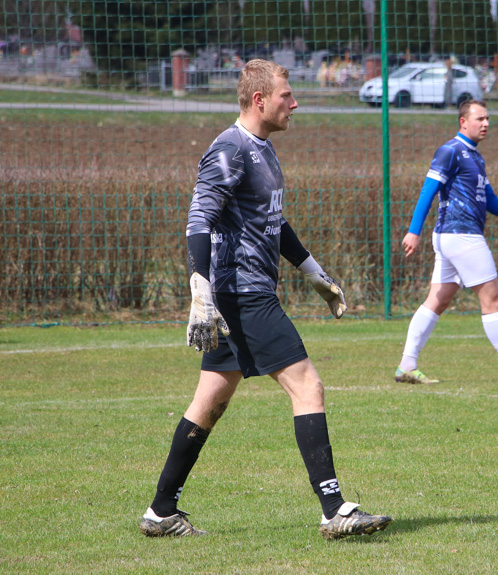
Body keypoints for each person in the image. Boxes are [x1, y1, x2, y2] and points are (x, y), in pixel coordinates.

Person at [139, 59, 392, 540]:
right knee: (308, 387)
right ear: (260, 100)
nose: (294, 103)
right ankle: (335, 510)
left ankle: (160, 512)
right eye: (286, 96)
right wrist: (201, 288)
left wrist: (314, 274)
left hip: (246, 291)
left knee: (209, 402)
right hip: (241, 293)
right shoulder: (228, 150)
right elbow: (199, 221)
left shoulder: (264, 150)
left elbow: (273, 223)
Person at [395, 100, 498, 385]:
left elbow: (488, 197)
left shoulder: (475, 157)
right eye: (480, 118)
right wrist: (413, 231)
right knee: (493, 298)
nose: (486, 123)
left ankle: (407, 365)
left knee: (437, 300)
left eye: (488, 118)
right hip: (461, 235)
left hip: (453, 237)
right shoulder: (450, 151)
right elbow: (427, 191)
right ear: (463, 122)